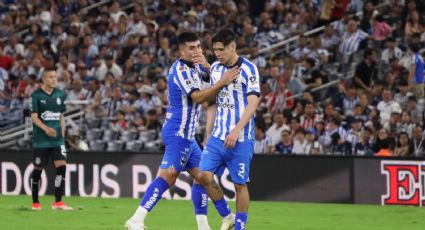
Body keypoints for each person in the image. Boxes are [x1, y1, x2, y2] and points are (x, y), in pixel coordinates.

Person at [125, 31, 238, 230]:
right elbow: (199, 97)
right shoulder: (181, 70)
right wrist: (221, 81)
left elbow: (212, 86)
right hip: (178, 133)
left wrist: (208, 67)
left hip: (188, 136)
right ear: (181, 50)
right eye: (192, 48)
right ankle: (136, 220)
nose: (197, 51)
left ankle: (225, 218)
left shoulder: (195, 67)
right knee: (168, 176)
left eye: (199, 47)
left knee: (204, 177)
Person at [198, 29, 260, 230]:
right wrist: (208, 131)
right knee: (203, 176)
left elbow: (252, 105)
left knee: (239, 185)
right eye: (215, 49)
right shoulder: (215, 68)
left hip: (240, 138)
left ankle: (240, 227)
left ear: (232, 47)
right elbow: (213, 102)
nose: (217, 53)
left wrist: (235, 130)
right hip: (217, 137)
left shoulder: (249, 69)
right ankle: (227, 216)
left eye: (221, 49)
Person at [29, 68, 73, 210]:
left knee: (62, 167)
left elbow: (61, 116)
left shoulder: (60, 94)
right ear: (44, 79)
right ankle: (35, 202)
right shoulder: (36, 95)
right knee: (38, 170)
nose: (54, 79)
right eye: (50, 77)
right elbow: (34, 117)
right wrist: (46, 129)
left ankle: (58, 201)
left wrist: (62, 134)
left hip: (57, 141)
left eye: (55, 76)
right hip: (41, 140)